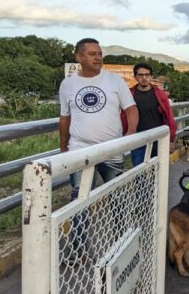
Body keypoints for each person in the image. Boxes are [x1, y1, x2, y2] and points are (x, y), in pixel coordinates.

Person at [59, 38, 138, 197]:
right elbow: (65, 117)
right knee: (79, 197)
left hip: (112, 148)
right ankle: (81, 223)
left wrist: (131, 132)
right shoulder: (68, 84)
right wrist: (63, 148)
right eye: (92, 54)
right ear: (79, 57)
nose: (98, 58)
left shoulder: (115, 80)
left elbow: (131, 109)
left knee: (117, 196)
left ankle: (119, 223)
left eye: (100, 54)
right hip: (80, 149)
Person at [127, 62, 176, 166]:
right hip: (138, 140)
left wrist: (171, 139)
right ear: (135, 77)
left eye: (147, 75)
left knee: (157, 172)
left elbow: (169, 117)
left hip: (157, 139)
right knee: (139, 172)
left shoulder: (160, 95)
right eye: (140, 75)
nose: (144, 78)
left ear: (151, 76)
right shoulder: (129, 94)